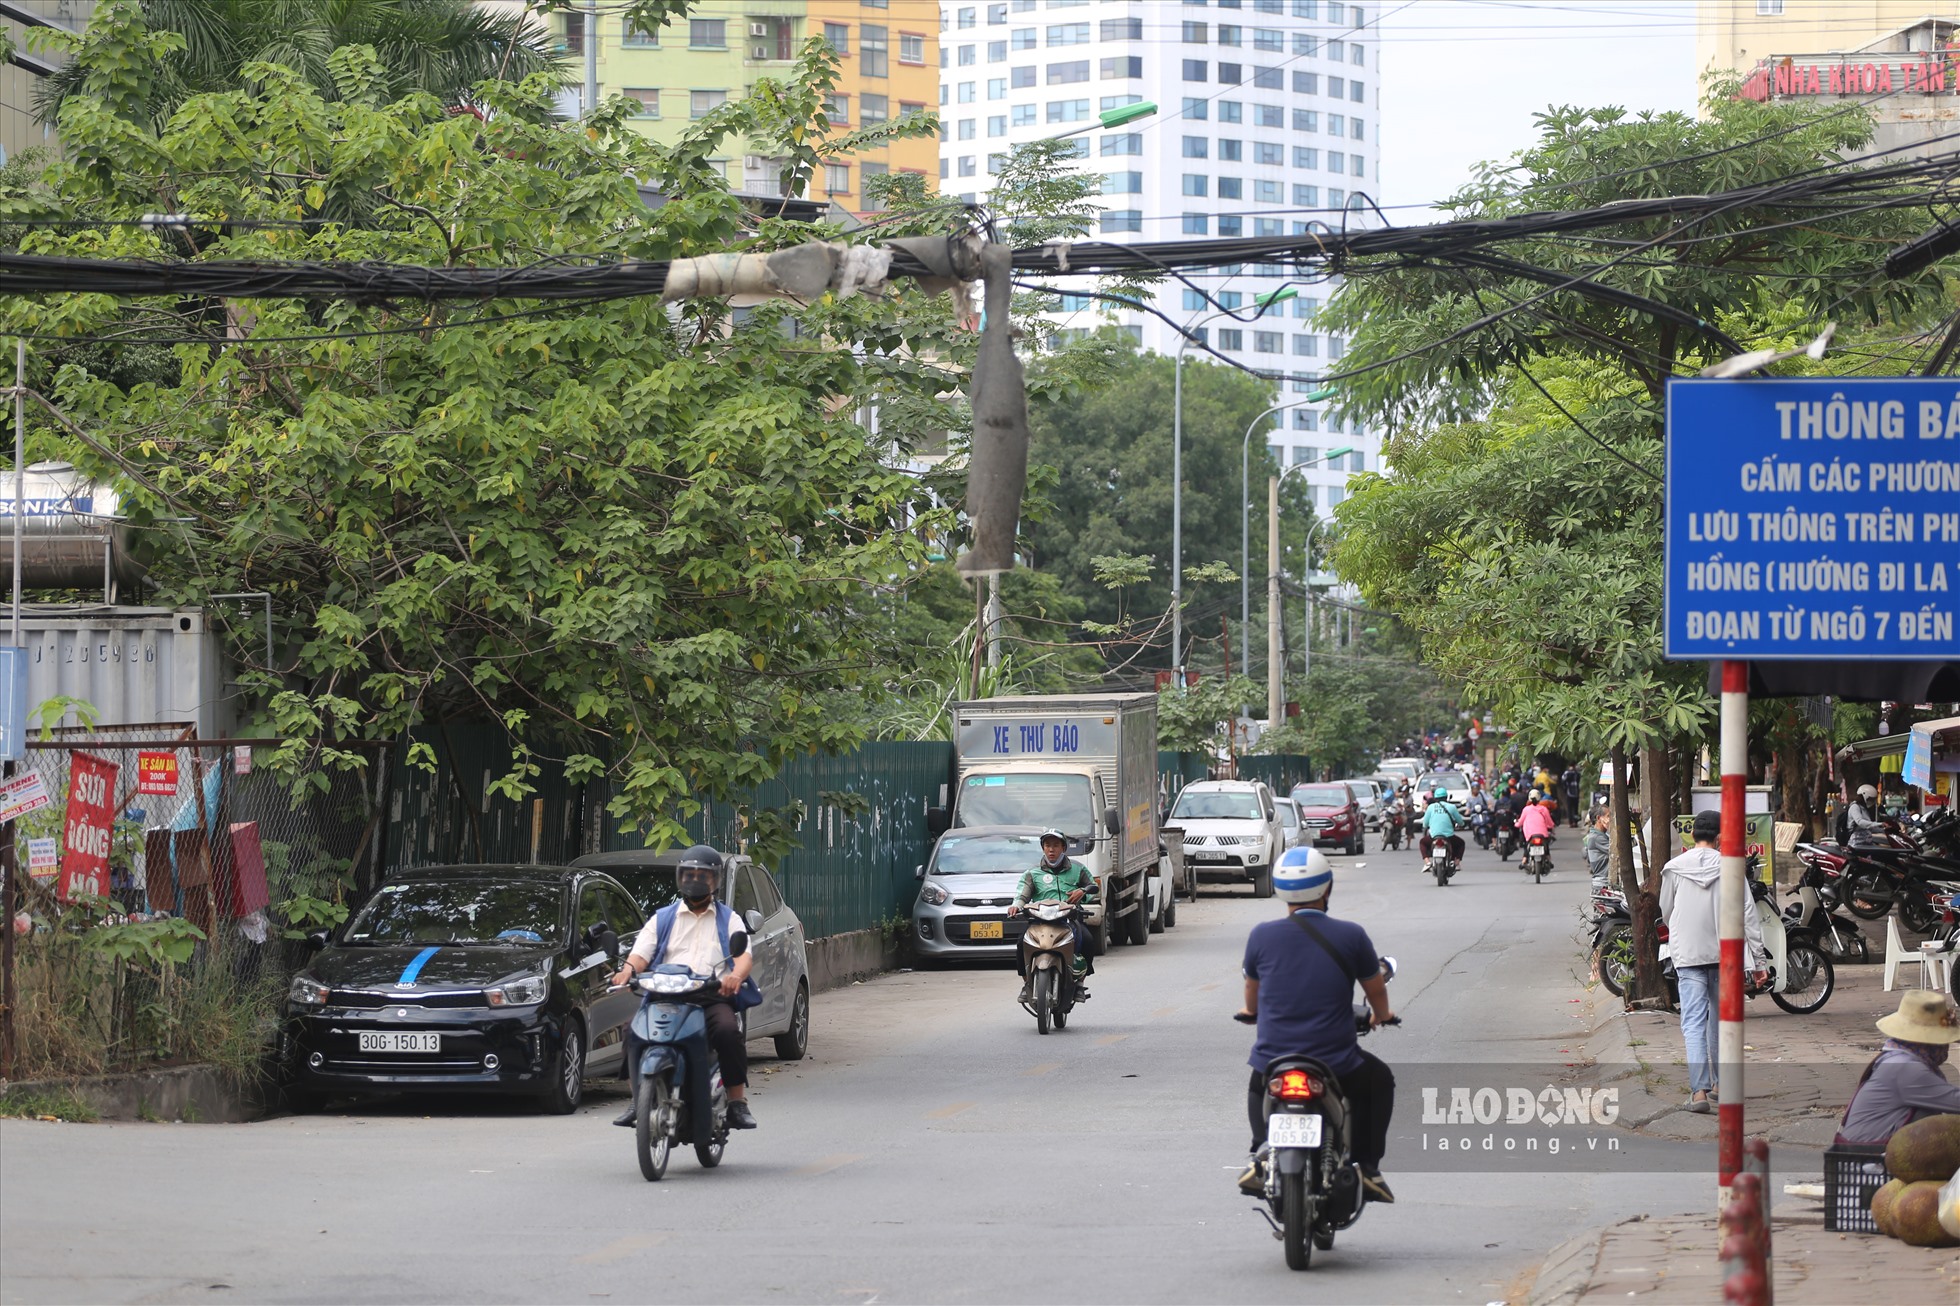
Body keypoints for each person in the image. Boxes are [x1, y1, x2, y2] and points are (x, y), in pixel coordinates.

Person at [1236, 848, 1397, 1203]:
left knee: (1257, 1078)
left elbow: (1252, 990)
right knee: (1379, 1080)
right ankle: (1368, 1168)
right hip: (1335, 1059)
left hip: (1275, 1056)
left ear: (1279, 889)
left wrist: (1251, 1012)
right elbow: (1376, 989)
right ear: (1327, 888)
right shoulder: (1351, 935)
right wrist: (1381, 1016)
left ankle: (1260, 1153)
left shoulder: (1261, 935)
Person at [609, 845, 758, 1130]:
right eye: (688, 874)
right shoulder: (663, 918)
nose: (694, 880)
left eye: (702, 875)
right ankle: (637, 1098)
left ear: (714, 881)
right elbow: (640, 954)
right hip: (665, 994)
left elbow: (743, 958)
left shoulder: (729, 919)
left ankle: (737, 1102)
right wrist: (627, 972)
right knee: (632, 1031)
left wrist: (735, 977)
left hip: (710, 996)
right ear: (680, 877)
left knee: (728, 1031)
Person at [1659, 811, 1769, 1114]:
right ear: (1720, 836)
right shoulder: (1732, 869)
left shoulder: (1673, 869)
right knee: (1721, 1022)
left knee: (1693, 1023)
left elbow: (1666, 911)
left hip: (1689, 955)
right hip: (1725, 956)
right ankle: (1721, 1084)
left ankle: (1699, 1093)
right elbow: (1749, 915)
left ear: (1692, 835)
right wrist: (1758, 961)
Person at [1835, 990, 1960, 1144]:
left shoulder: (1895, 1057)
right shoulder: (1906, 1068)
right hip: (1869, 1159)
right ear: (1928, 1041)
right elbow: (1955, 1101)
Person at [1008, 829, 1095, 1000]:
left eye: (1056, 845)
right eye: (1048, 845)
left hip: (1069, 920)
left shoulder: (1078, 869)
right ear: (1043, 848)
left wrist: (1083, 892)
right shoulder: (1032, 873)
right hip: (1039, 921)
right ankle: (1027, 984)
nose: (1051, 850)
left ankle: (1079, 985)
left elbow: (1093, 887)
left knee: (1088, 940)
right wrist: (1016, 906)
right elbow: (1022, 895)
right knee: (1021, 944)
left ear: (1064, 848)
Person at [1418, 785, 1466, 876]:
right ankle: (1456, 863)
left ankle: (1427, 862)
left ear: (1435, 798)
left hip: (1434, 836)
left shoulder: (1431, 807)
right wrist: (1462, 825)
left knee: (1422, 842)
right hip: (1449, 837)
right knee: (1461, 843)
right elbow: (1460, 821)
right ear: (1446, 797)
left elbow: (1425, 824)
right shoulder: (1452, 807)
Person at [1517, 789, 1556, 865]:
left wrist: (1516, 824)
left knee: (1527, 846)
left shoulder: (1526, 809)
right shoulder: (1544, 809)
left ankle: (1524, 860)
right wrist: (1552, 827)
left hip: (1530, 834)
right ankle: (1549, 860)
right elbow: (1550, 822)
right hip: (1542, 834)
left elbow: (1520, 822)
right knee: (1546, 847)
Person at [1846, 783, 1885, 847]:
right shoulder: (1855, 807)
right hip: (1856, 842)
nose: (1871, 802)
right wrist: (1880, 824)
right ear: (1864, 796)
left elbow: (1870, 827)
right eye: (1870, 799)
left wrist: (1884, 830)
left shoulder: (1863, 809)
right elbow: (1860, 822)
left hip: (1866, 841)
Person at [1584, 807, 1613, 892]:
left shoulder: (1603, 835)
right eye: (1608, 816)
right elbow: (1617, 852)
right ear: (1598, 818)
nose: (1610, 819)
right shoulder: (1596, 838)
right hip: (1602, 884)